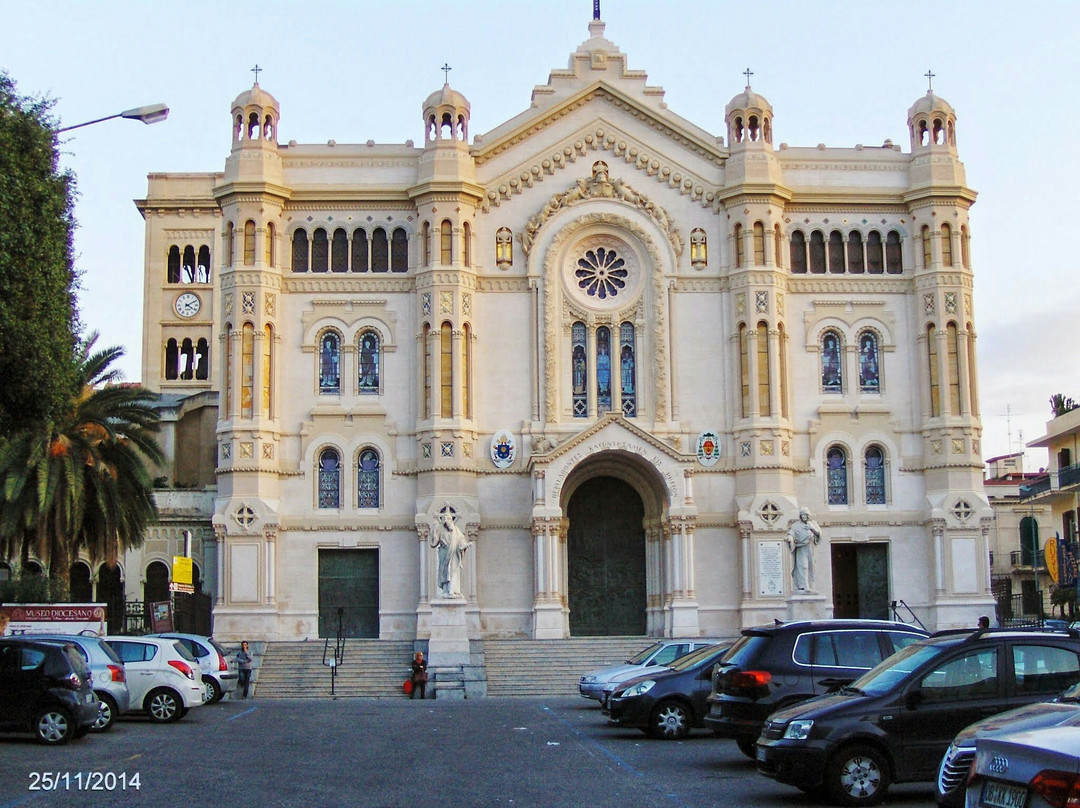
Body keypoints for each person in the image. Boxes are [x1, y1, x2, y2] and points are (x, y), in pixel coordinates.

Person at [431, 505, 469, 598]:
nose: (447, 521)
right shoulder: (440, 530)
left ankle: (452, 590)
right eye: (445, 519)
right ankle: (445, 590)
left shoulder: (456, 530)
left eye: (449, 519)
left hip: (454, 554)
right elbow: (434, 544)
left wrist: (463, 545)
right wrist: (434, 533)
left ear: (452, 520)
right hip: (444, 554)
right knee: (444, 572)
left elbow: (461, 540)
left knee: (453, 572)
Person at [787, 508, 822, 591]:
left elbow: (819, 534)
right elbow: (791, 534)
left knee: (811, 566)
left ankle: (811, 585)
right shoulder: (796, 525)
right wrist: (790, 538)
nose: (804, 517)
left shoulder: (813, 523)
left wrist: (811, 528)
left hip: (811, 547)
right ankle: (803, 586)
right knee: (802, 565)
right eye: (802, 515)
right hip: (801, 548)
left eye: (806, 515)